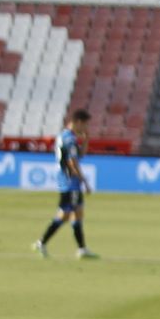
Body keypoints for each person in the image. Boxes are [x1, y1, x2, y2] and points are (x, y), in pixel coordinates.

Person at [34, 108, 96, 259]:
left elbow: (79, 155)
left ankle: (81, 249)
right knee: (65, 215)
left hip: (68, 181)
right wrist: (84, 180)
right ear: (78, 122)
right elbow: (72, 161)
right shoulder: (69, 139)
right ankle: (42, 242)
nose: (86, 128)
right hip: (70, 182)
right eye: (85, 125)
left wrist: (86, 139)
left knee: (77, 212)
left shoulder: (66, 137)